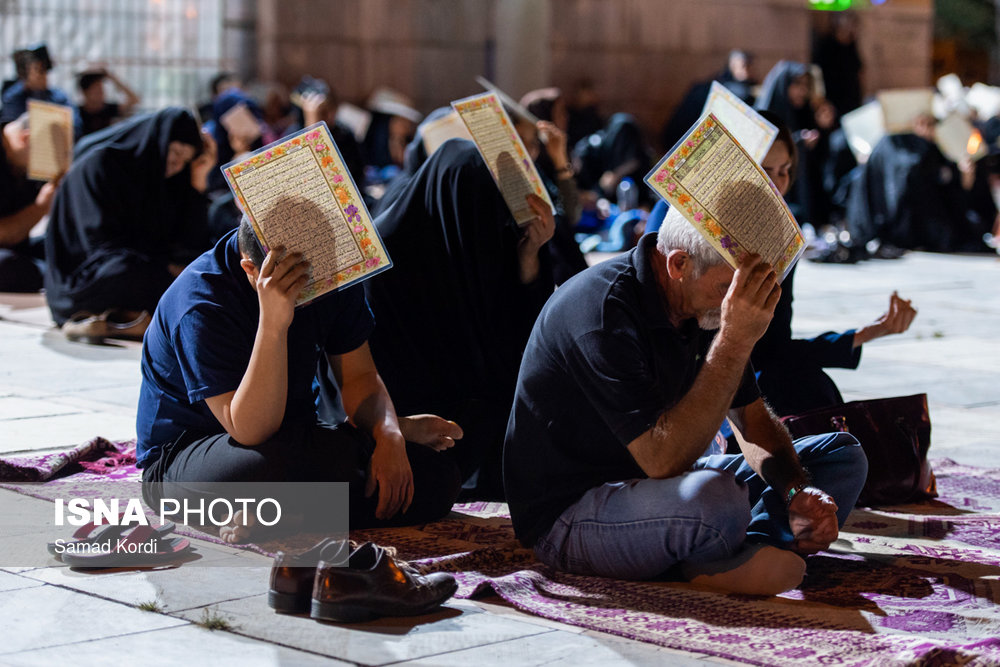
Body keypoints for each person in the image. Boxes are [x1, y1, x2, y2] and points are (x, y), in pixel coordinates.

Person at [503, 209, 869, 593]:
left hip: (664, 487)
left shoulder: (704, 303)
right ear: (679, 264)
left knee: (840, 456)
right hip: (572, 514)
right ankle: (704, 564)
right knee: (718, 499)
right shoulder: (603, 311)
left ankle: (746, 549)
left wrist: (796, 492)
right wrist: (735, 339)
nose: (736, 304)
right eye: (727, 289)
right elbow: (662, 460)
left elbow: (752, 422)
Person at [136, 217, 463, 531]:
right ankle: (293, 506)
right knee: (274, 467)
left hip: (297, 435)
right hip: (193, 457)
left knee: (436, 480)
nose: (311, 296)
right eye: (299, 289)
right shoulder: (202, 303)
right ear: (251, 269)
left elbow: (360, 377)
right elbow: (251, 431)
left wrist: (388, 435)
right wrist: (274, 322)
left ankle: (281, 516)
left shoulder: (324, 267)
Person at [349, 139, 555, 499]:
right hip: (390, 425)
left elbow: (523, 343)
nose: (493, 227)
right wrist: (394, 430)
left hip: (465, 415)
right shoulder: (384, 261)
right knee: (423, 484)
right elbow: (358, 378)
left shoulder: (477, 239)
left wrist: (530, 257)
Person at [752, 113, 917, 417]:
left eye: (785, 172)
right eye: (764, 171)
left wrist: (868, 332)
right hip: (690, 383)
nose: (776, 186)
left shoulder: (779, 237)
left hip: (750, 372)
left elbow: (771, 347)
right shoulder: (684, 224)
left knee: (808, 386)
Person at [43, 107, 216, 340]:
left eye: (185, 160)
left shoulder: (167, 180)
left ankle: (126, 319)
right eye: (174, 152)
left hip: (145, 268)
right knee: (133, 273)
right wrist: (167, 269)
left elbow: (190, 244)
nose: (176, 165)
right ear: (156, 141)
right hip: (87, 279)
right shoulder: (100, 165)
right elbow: (101, 247)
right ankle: (132, 318)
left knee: (203, 272)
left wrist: (198, 181)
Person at [846, 113, 996, 253]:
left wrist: (965, 176)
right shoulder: (895, 145)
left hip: (937, 228)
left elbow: (956, 193)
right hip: (905, 227)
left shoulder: (942, 147)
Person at [0, 113, 58, 292]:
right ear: (26, 138)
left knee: (63, 246)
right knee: (9, 266)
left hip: (19, 246)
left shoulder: (23, 160)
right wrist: (41, 207)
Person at [1, 44, 75, 128]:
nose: (43, 76)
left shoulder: (59, 97)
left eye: (44, 70)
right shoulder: (13, 98)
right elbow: (10, 127)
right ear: (25, 73)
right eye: (37, 70)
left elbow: (75, 126)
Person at [76, 67, 141, 138]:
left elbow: (134, 99)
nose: (101, 94)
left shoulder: (109, 109)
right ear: (85, 92)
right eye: (97, 91)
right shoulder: (76, 113)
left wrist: (112, 78)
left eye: (102, 90)